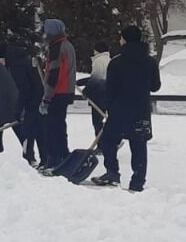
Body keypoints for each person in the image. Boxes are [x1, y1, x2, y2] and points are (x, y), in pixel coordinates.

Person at [92, 26, 161, 192]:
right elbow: (155, 86)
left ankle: (112, 172)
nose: (119, 40)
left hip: (120, 110)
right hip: (141, 109)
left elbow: (110, 90)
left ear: (126, 39)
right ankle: (137, 181)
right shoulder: (150, 61)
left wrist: (110, 107)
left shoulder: (116, 62)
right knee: (139, 143)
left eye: (121, 37)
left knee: (108, 140)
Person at [0, 41, 44, 165]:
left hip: (33, 100)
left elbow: (25, 89)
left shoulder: (16, 64)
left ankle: (29, 158)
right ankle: (44, 159)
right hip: (39, 98)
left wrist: (18, 110)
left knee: (28, 130)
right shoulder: (24, 58)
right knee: (38, 130)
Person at [39, 18, 77, 169]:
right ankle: (62, 155)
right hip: (66, 91)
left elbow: (54, 74)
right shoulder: (68, 45)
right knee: (60, 125)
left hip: (57, 93)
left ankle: (55, 158)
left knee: (52, 127)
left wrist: (47, 97)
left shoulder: (56, 47)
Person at [83, 40, 111, 136]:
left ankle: (101, 145)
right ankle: (107, 142)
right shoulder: (108, 60)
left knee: (97, 122)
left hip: (99, 95)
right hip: (107, 94)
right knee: (104, 120)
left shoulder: (98, 61)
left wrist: (86, 91)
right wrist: (81, 82)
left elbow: (96, 77)